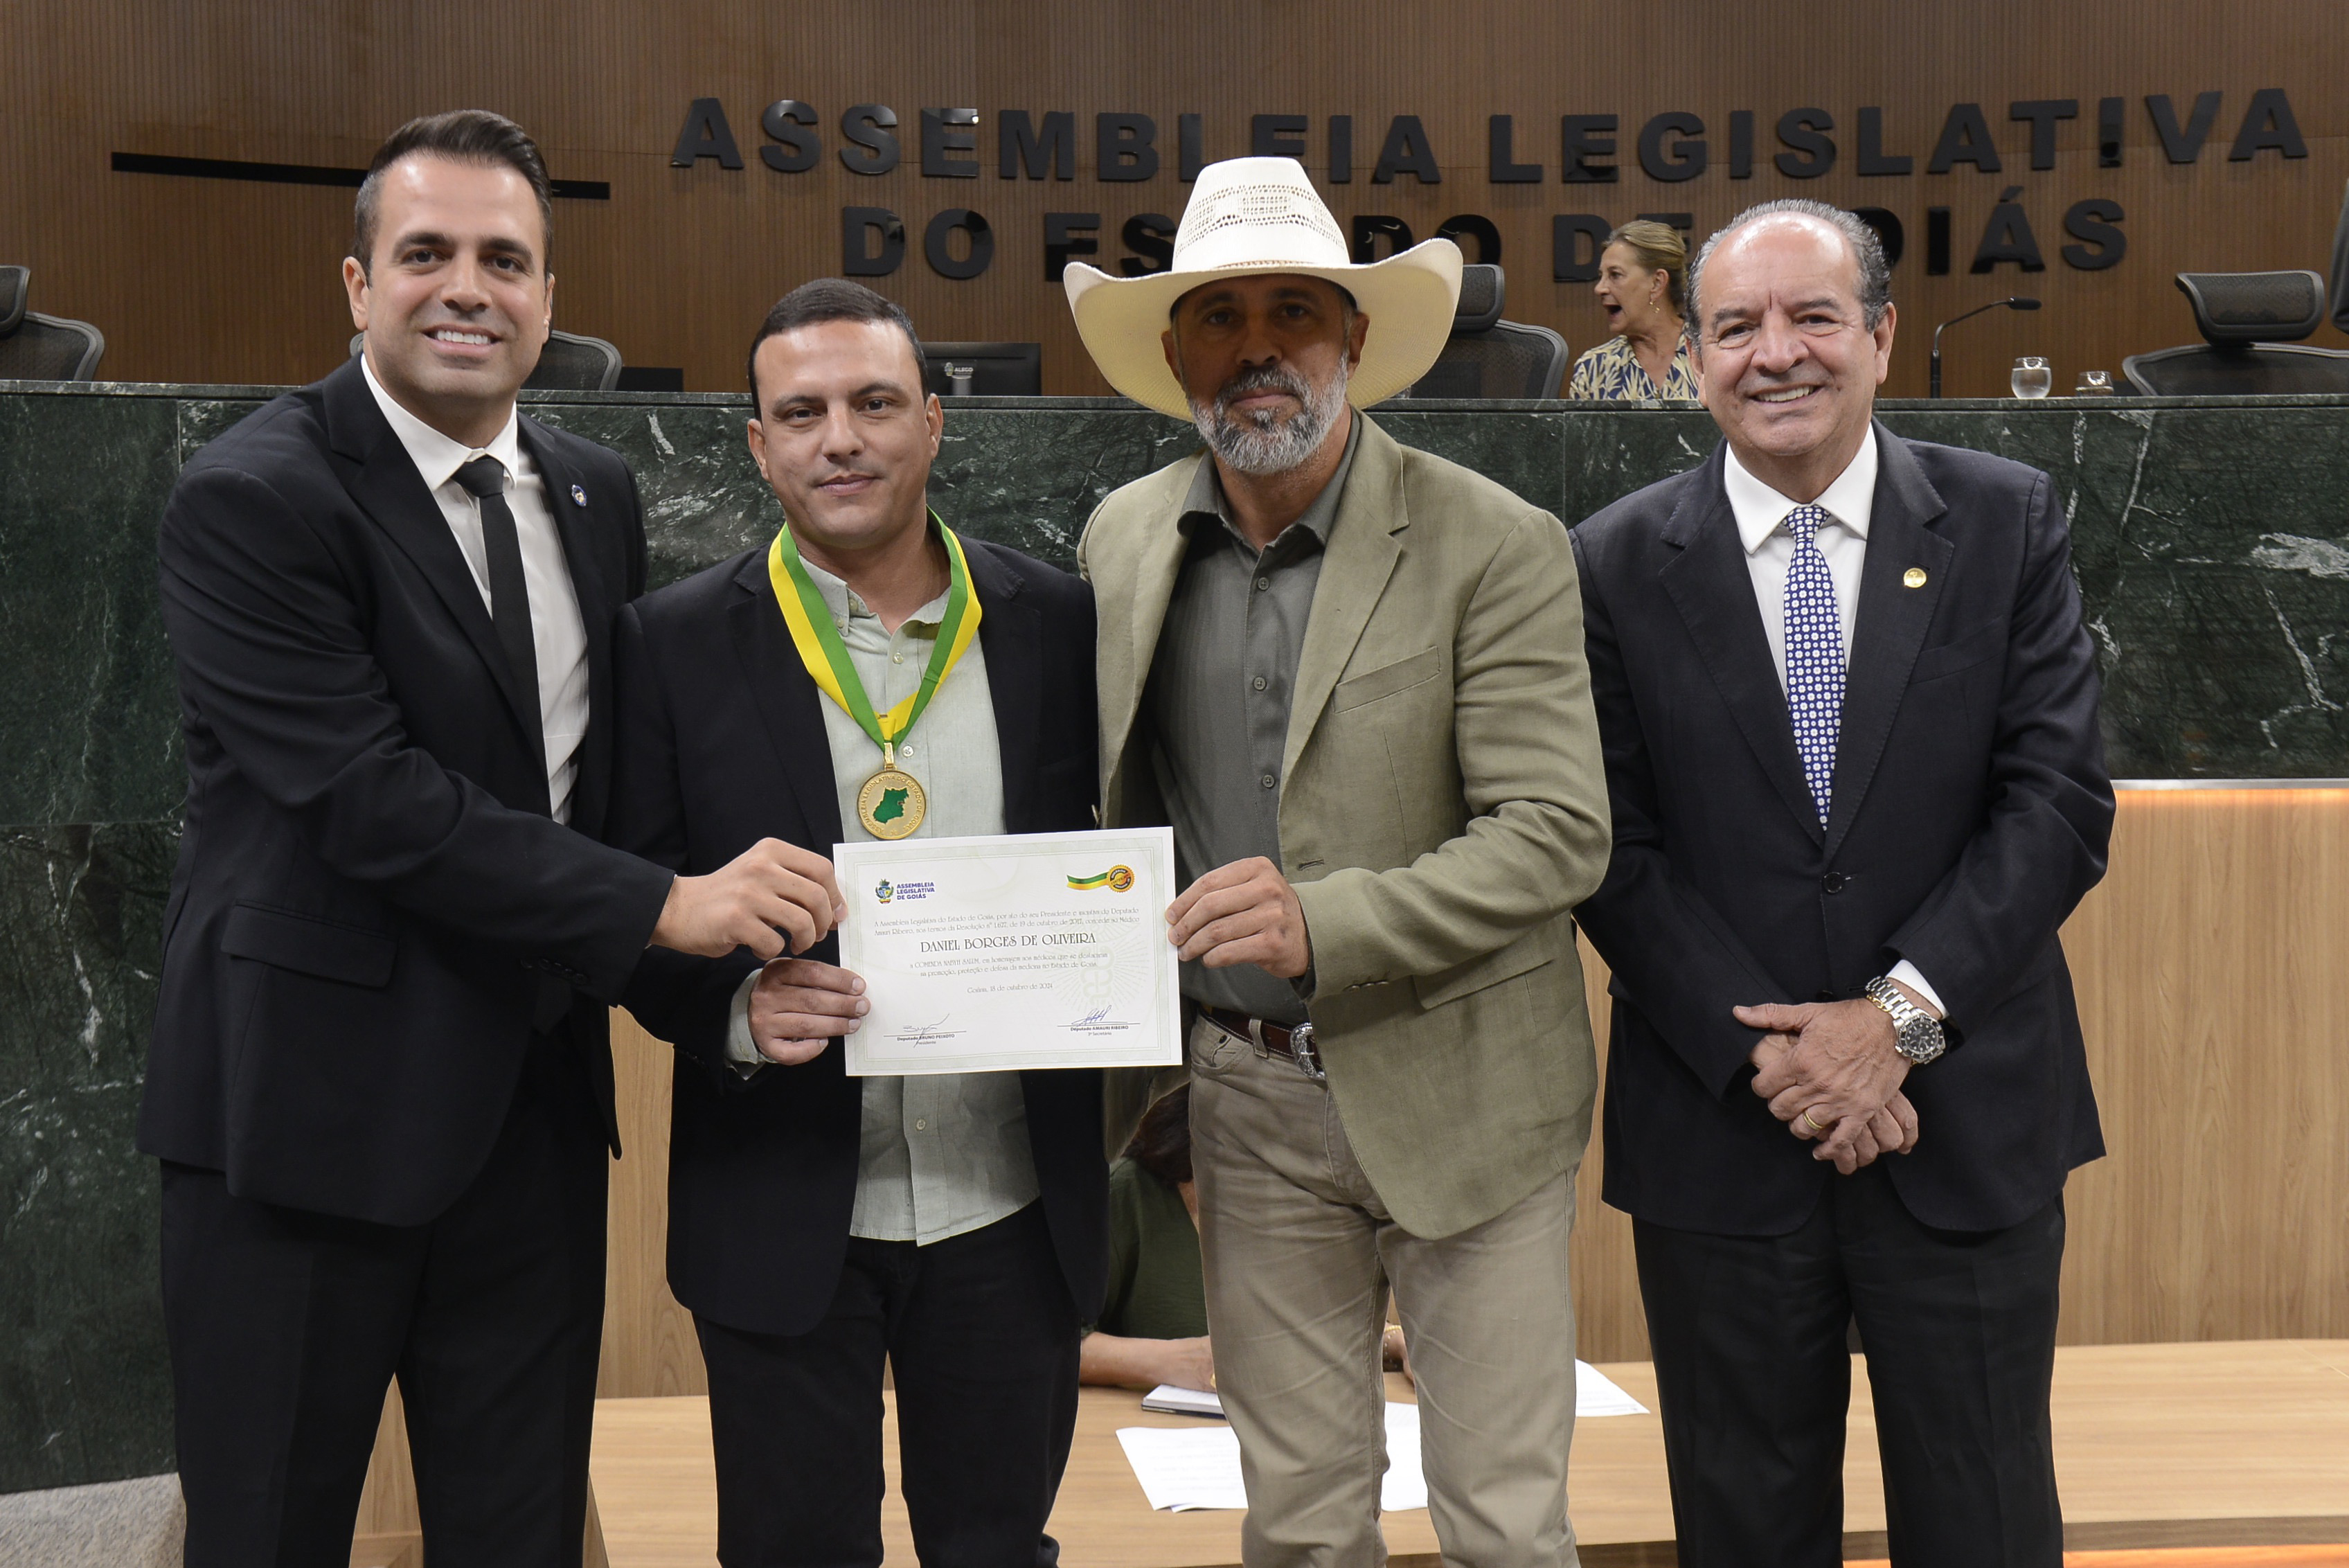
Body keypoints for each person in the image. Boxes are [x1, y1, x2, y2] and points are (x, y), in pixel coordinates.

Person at [143, 111, 830, 1567]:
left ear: (549, 296)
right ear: (357, 285)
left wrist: (727, 978)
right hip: (301, 1124)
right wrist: (666, 904)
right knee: (266, 1535)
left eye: (504, 259)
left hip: (530, 1126)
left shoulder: (593, 489)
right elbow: (367, 797)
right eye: (426, 253)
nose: (468, 288)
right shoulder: (253, 494)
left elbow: (601, 790)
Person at [1064, 157, 1613, 1568]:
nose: (1257, 348)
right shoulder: (1122, 538)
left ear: (1354, 338)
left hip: (1469, 1088)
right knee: (1301, 1527)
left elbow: (1557, 831)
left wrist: (1326, 921)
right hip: (1244, 1097)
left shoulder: (1494, 541)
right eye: (1220, 316)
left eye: (1293, 312)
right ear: (1173, 352)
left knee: (1505, 1528)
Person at [1570, 199, 2114, 1567]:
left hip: (1962, 1120)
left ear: (1878, 336)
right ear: (1695, 358)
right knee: (1743, 1529)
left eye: (1812, 317)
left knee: (1986, 1520)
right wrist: (1784, 1058)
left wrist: (1893, 1022)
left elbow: (2054, 804)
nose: (1775, 354)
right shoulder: (1610, 561)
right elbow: (1608, 847)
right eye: (1735, 327)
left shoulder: (2004, 519)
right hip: (1726, 1129)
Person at [606, 278, 1107, 1568]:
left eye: (875, 403)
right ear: (757, 443)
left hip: (1009, 1202)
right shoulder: (669, 645)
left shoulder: (1057, 622)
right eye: (803, 412)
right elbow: (628, 902)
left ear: (932, 423)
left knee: (997, 1550)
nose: (841, 439)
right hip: (783, 1205)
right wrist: (732, 1008)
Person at [1080, 1083, 1407, 1395]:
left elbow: (1318, 1332)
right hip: (1150, 1424)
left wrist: (1394, 1342)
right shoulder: (1127, 1193)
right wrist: (1177, 1361)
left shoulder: (1308, 1196)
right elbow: (1062, 1347)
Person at [1567, 220, 1698, 401]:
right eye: (1601, 276)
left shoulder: (1710, 355)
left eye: (1615, 275)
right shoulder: (1593, 370)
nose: (1599, 288)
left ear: (1657, 283)